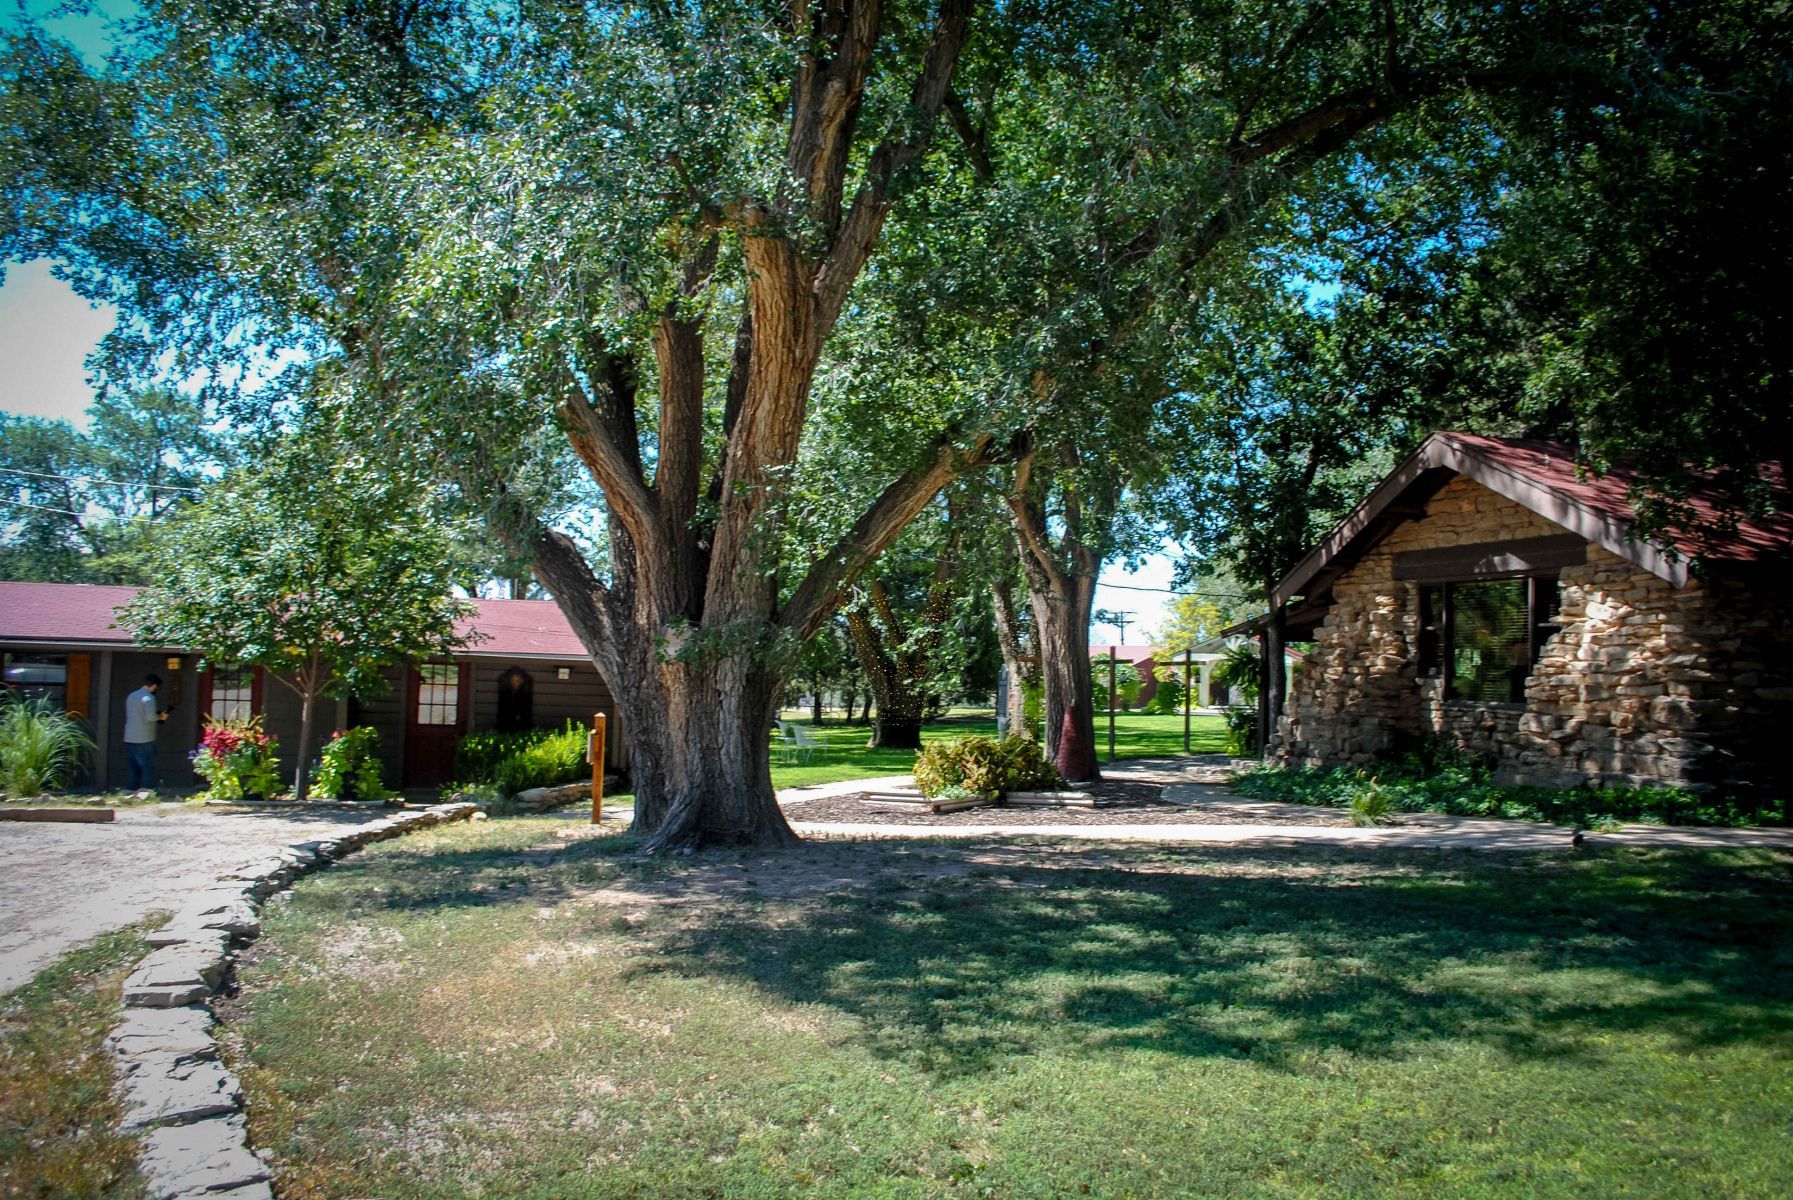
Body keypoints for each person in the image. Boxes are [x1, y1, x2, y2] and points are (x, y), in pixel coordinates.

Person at [123, 673, 169, 791]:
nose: (156, 690)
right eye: (156, 687)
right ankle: (146, 788)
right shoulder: (149, 698)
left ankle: (131, 788)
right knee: (146, 764)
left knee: (132, 765)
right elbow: (150, 717)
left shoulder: (131, 695)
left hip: (129, 735)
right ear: (153, 685)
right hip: (144, 736)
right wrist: (161, 717)